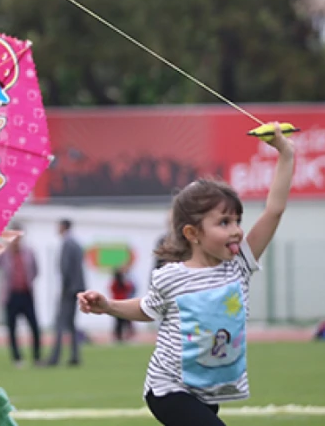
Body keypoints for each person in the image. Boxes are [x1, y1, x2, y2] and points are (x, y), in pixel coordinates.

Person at [76, 123, 295, 426]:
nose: (236, 231)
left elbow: (274, 210)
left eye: (237, 220)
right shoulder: (170, 276)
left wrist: (285, 154)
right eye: (223, 223)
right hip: (169, 389)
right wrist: (108, 306)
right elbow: (147, 309)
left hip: (208, 390)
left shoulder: (239, 265)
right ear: (192, 233)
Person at [0, 223, 41, 367]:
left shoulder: (29, 252)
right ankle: (17, 358)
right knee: (12, 328)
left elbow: (35, 270)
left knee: (34, 326)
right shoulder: (5, 254)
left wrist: (27, 282)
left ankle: (36, 356)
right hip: (11, 295)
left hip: (26, 293)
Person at [48, 218, 86, 366]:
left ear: (63, 227)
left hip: (69, 290)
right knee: (71, 323)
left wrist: (65, 288)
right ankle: (74, 356)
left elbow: (65, 269)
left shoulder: (67, 244)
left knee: (60, 323)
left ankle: (55, 357)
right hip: (76, 288)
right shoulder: (76, 243)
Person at [109, 269, 136, 343]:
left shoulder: (114, 284)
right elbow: (130, 288)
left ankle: (119, 337)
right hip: (124, 303)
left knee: (118, 323)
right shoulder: (124, 284)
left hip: (116, 304)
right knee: (127, 321)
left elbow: (111, 290)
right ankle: (128, 336)